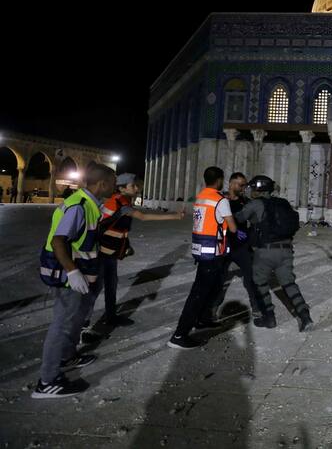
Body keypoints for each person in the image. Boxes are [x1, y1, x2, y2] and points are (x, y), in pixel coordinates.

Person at [32, 162, 117, 398]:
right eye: (113, 183)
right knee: (62, 325)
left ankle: (69, 356)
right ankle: (47, 381)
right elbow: (60, 241)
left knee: (76, 319)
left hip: (81, 275)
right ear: (102, 184)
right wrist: (72, 271)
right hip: (69, 277)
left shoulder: (89, 204)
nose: (115, 187)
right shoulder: (79, 206)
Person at [82, 173, 184, 337]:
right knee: (95, 289)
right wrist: (175, 216)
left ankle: (110, 316)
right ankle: (82, 327)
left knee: (111, 285)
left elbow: (116, 226)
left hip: (110, 252)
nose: (137, 188)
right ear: (122, 188)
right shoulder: (120, 203)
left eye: (136, 185)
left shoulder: (119, 200)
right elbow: (143, 216)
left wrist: (126, 245)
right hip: (101, 252)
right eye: (133, 186)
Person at [167, 166, 240, 350]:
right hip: (213, 253)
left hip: (201, 250)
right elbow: (232, 228)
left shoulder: (201, 196)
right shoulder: (220, 200)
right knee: (198, 294)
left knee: (213, 287)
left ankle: (202, 320)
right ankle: (179, 335)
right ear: (220, 180)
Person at [235, 175, 313, 331]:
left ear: (258, 189)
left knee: (260, 284)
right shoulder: (283, 203)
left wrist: (241, 204)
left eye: (252, 188)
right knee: (289, 284)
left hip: (265, 252)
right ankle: (305, 316)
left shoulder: (255, 204)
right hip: (285, 250)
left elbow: (239, 218)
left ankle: (269, 318)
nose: (250, 190)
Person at [203, 172, 263, 323]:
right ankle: (212, 309)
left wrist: (250, 237)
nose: (243, 188)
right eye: (240, 184)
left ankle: (256, 308)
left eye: (244, 185)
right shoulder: (221, 200)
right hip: (223, 245)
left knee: (251, 278)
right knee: (219, 279)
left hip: (242, 247)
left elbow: (255, 223)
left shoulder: (247, 202)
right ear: (231, 184)